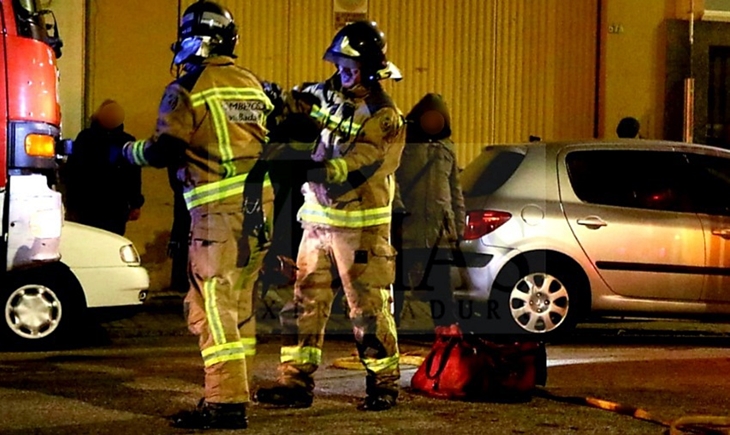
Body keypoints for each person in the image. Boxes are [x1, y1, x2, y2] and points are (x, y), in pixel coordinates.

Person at [115, 1, 274, 429]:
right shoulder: (250, 84)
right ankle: (235, 390)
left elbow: (166, 149)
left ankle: (225, 403)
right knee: (239, 304)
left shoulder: (188, 87)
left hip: (219, 212)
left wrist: (124, 153)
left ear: (193, 40)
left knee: (213, 305)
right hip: (260, 209)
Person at [255, 20, 406, 412]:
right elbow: (297, 103)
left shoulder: (384, 115)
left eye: (350, 67)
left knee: (367, 307)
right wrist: (272, 100)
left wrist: (324, 170)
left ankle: (383, 384)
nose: (343, 72)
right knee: (305, 302)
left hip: (362, 230)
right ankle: (294, 382)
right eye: (339, 64)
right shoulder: (324, 92)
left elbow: (366, 158)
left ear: (371, 70)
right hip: (318, 222)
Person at [392, 93, 465, 328]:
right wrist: (397, 213)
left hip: (439, 234)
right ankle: (387, 338)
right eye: (429, 118)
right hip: (407, 231)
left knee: (442, 291)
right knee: (397, 288)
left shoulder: (447, 148)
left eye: (439, 119)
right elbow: (391, 180)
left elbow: (455, 190)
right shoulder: (403, 145)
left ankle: (447, 341)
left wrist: (458, 227)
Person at [63, 100, 143, 236]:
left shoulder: (126, 141)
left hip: (116, 206)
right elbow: (73, 172)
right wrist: (71, 204)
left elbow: (133, 174)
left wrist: (136, 203)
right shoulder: (86, 138)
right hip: (88, 205)